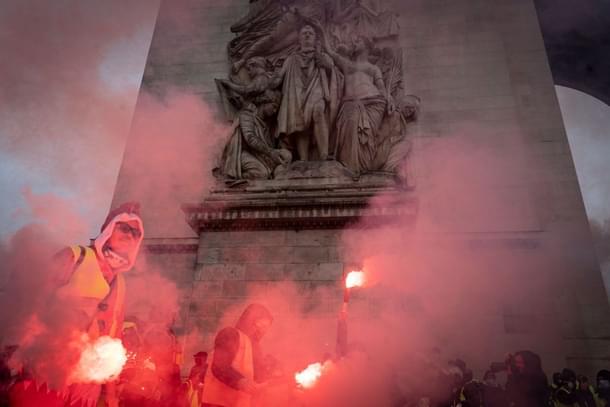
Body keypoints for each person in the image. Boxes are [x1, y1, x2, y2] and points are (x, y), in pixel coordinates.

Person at [9, 202, 144, 407]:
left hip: (86, 383)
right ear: (109, 227)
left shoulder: (121, 282)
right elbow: (32, 305)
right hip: (48, 367)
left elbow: (113, 338)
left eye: (136, 232)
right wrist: (19, 355)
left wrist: (110, 394)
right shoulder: (75, 256)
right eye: (124, 227)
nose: (130, 235)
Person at [315, 23, 394, 174]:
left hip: (373, 103)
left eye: (357, 41)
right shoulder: (346, 64)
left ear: (366, 45)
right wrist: (320, 30)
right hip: (350, 104)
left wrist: (389, 100)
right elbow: (329, 51)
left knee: (366, 138)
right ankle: (350, 168)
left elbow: (382, 89)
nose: (354, 44)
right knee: (349, 132)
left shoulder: (373, 68)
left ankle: (363, 167)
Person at [273, 24, 340, 161]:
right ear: (299, 39)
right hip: (296, 93)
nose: (308, 35)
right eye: (304, 33)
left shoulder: (321, 55)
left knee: (318, 112)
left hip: (316, 88)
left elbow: (330, 66)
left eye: (311, 33)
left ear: (315, 39)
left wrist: (320, 57)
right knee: (300, 124)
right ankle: (303, 160)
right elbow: (279, 78)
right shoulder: (291, 59)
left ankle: (324, 155)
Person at [201, 303, 274, 407]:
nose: (264, 331)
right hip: (217, 404)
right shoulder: (230, 334)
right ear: (251, 321)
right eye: (262, 326)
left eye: (266, 328)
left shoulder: (253, 346)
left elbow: (258, 378)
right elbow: (220, 367)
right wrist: (243, 383)